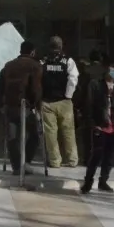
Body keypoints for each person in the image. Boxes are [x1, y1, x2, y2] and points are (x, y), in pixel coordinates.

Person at [0, 41, 43, 174]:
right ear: (32, 52)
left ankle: (17, 166)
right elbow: (36, 89)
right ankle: (25, 162)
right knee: (35, 134)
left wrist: (4, 99)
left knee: (12, 137)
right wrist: (36, 105)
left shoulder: (8, 65)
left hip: (10, 106)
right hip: (26, 107)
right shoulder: (35, 66)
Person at [80, 57, 114, 195]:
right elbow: (89, 105)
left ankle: (103, 180)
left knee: (109, 156)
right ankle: (88, 182)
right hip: (100, 125)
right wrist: (93, 124)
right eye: (112, 69)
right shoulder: (95, 85)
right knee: (96, 155)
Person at [40, 37, 79, 168]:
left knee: (50, 133)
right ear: (61, 46)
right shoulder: (68, 61)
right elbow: (73, 79)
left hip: (47, 101)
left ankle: (55, 161)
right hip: (64, 101)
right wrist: (68, 95)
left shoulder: (43, 61)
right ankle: (72, 160)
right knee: (68, 131)